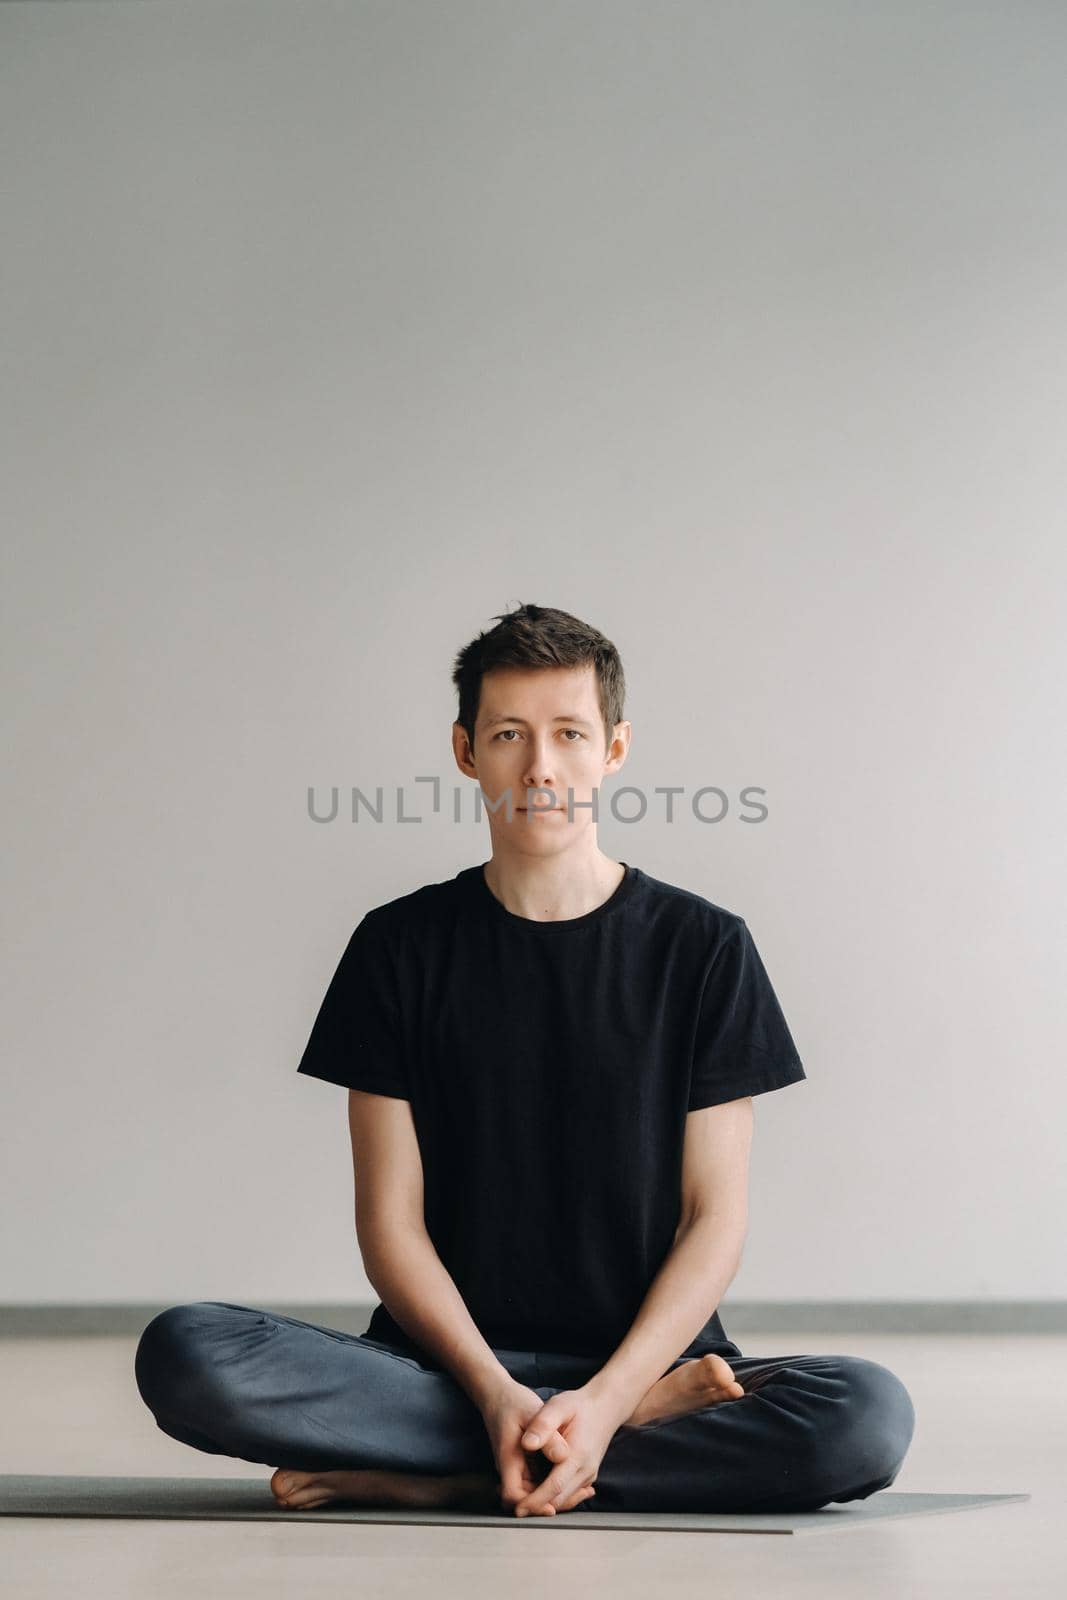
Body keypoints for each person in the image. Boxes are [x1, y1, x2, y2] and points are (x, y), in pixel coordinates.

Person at [135, 602, 915, 1518]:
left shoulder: (703, 948)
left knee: (864, 1416)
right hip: (443, 1368)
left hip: (647, 1361)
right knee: (186, 1352)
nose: (540, 768)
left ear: (613, 750)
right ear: (466, 751)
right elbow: (391, 1225)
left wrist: (617, 1391)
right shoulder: (397, 947)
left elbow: (713, 1219)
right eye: (508, 734)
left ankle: (461, 1471)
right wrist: (494, 1389)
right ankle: (560, 1441)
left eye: (569, 734)